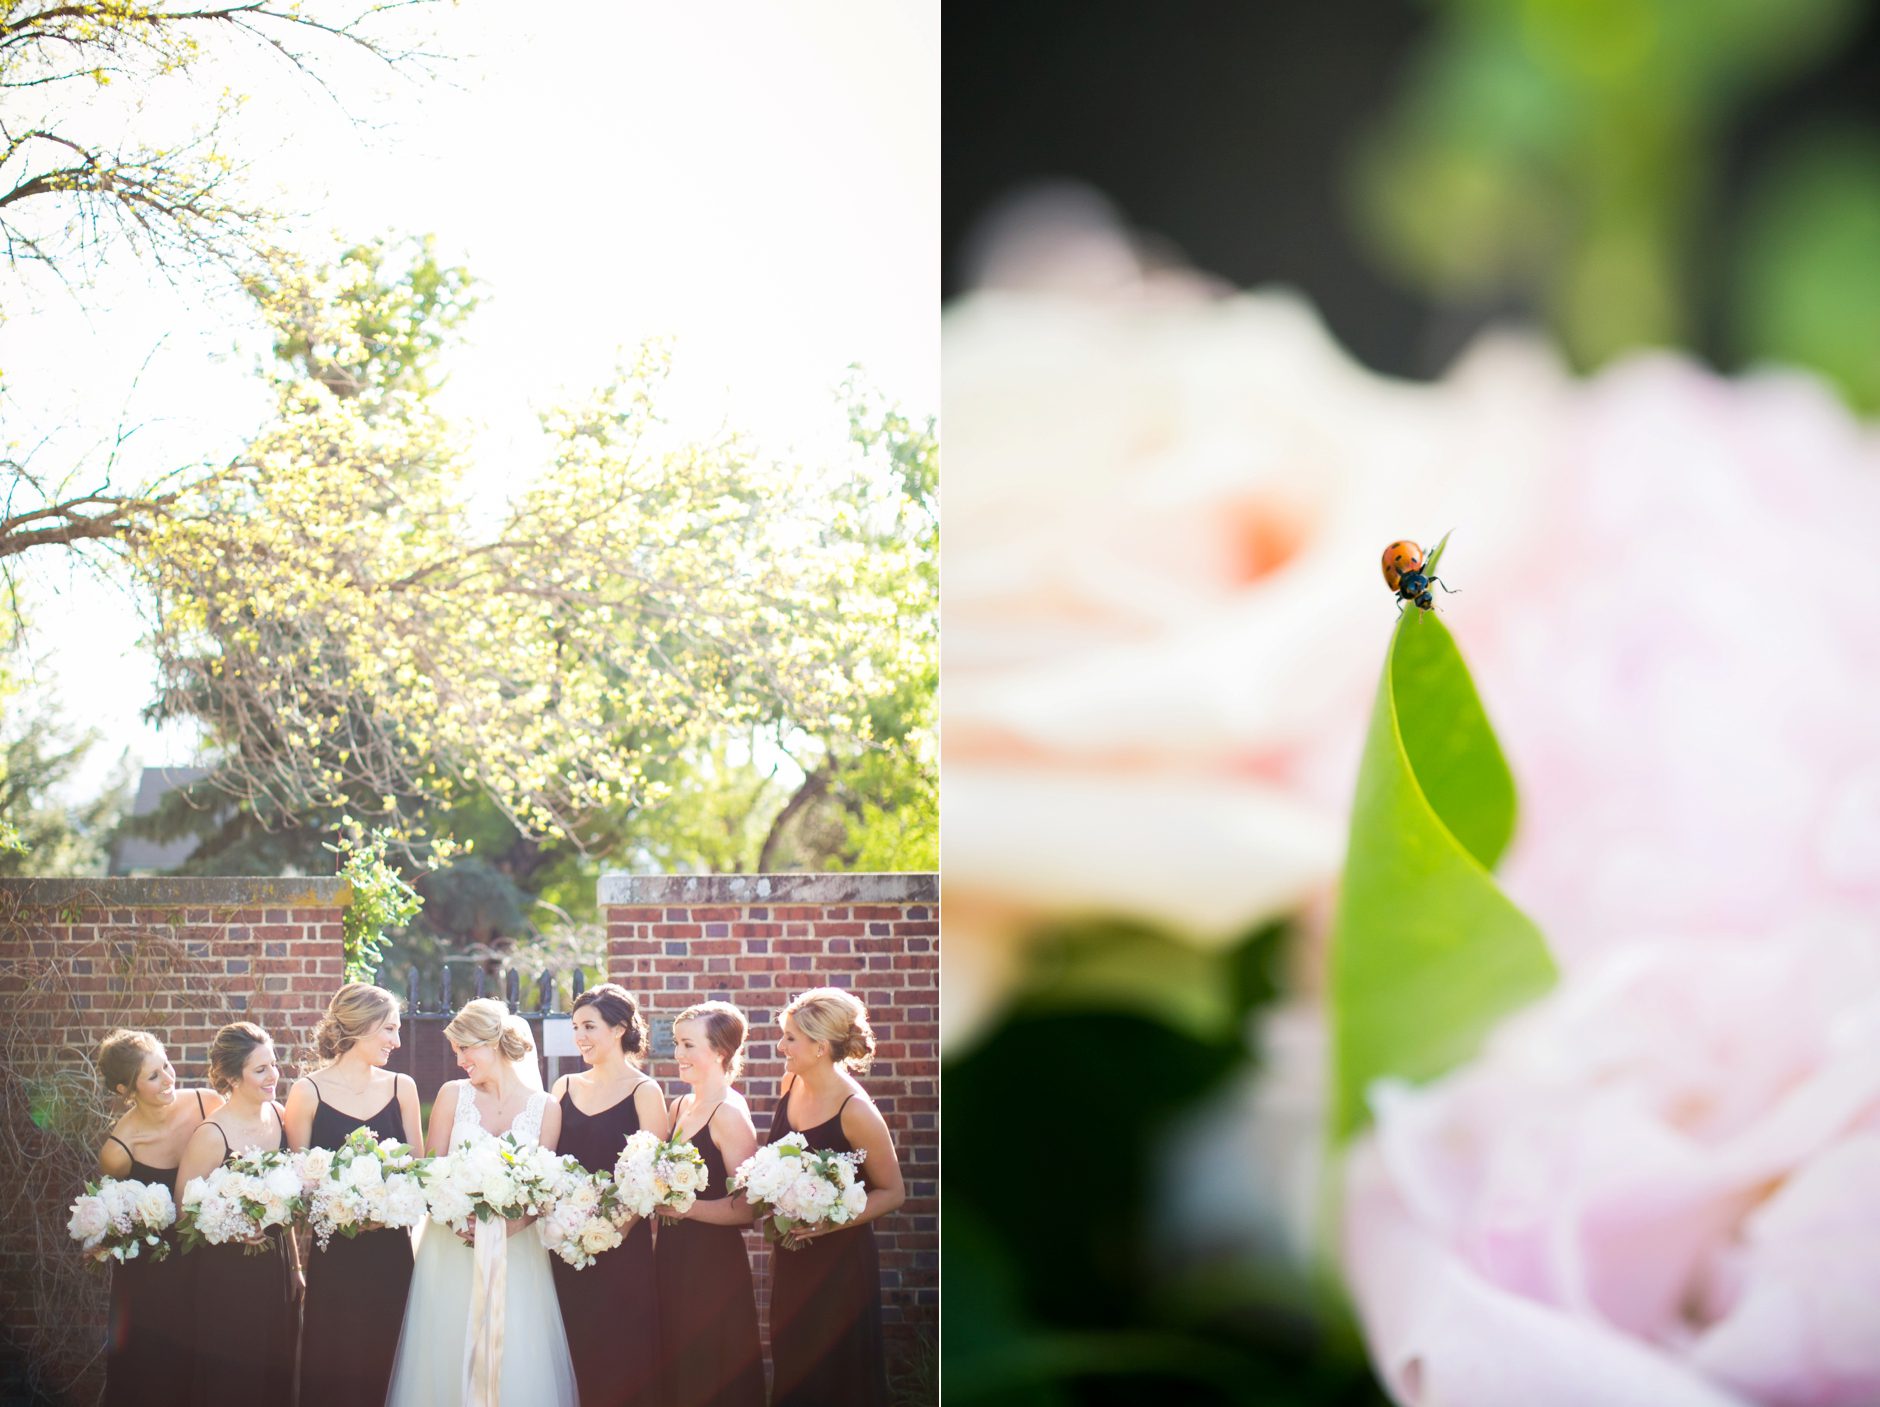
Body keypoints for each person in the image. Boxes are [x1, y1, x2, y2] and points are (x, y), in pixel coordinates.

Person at [384, 997, 577, 1407]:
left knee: (516, 1349)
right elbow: (429, 1172)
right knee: (447, 1345)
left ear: (492, 1042)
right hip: (452, 1250)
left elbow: (543, 1190)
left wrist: (510, 1227)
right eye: (457, 1050)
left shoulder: (546, 1107)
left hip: (517, 1254)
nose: (459, 1061)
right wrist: (455, 1218)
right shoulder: (453, 1096)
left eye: (465, 1048)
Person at [765, 987, 905, 1407]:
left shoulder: (856, 1110)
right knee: (792, 1365)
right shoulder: (791, 1083)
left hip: (840, 1267)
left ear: (820, 1047)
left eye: (790, 1037)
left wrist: (829, 1221)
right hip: (791, 1258)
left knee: (835, 1378)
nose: (781, 1046)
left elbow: (893, 1192)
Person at [285, 982, 423, 1406]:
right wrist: (341, 1205)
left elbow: (418, 1173)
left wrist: (388, 1206)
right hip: (337, 1259)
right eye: (389, 1030)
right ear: (360, 1026)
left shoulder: (403, 1088)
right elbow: (296, 1188)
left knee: (392, 1361)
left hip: (391, 1254)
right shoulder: (307, 1092)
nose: (396, 1042)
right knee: (336, 1366)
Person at [548, 982, 666, 1407]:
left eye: (589, 1026)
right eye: (576, 1026)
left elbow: (651, 1178)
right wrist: (568, 1231)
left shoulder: (645, 1092)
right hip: (562, 1245)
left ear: (618, 1029)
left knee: (619, 1358)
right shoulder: (563, 1087)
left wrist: (607, 1231)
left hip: (620, 1249)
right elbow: (545, 1166)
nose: (579, 1036)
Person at [174, 1022, 299, 1407]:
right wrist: (230, 1227)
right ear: (232, 1076)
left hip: (274, 1267)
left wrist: (294, 1268)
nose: (273, 1075)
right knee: (233, 1379)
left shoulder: (279, 1116)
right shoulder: (212, 1135)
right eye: (260, 1070)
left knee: (274, 1372)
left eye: (274, 1065)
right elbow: (182, 1212)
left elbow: (287, 1205)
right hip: (225, 1274)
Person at [95, 1030, 222, 1407]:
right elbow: (113, 1220)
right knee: (153, 1375)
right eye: (153, 1076)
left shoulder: (207, 1104)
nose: (169, 1079)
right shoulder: (118, 1151)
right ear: (125, 1089)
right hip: (150, 1280)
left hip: (207, 1263)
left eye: (166, 1065)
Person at [654, 1000, 764, 1407]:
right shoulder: (679, 1106)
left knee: (709, 1371)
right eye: (677, 1044)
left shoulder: (729, 1114)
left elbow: (749, 1208)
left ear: (719, 1052)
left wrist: (688, 1210)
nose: (678, 1055)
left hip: (712, 1266)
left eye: (687, 1045)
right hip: (672, 1257)